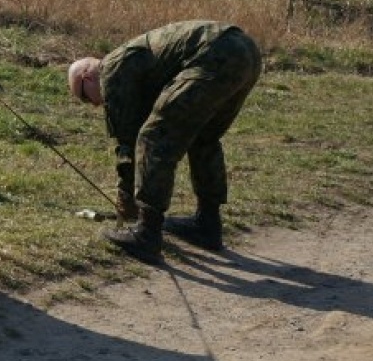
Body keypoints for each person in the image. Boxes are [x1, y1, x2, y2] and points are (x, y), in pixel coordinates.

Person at [68, 20, 263, 261]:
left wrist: (127, 202)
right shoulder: (128, 62)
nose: (95, 105)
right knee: (204, 138)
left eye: (85, 98)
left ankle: (147, 234)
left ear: (87, 77)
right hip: (246, 51)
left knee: (153, 137)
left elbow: (128, 143)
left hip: (213, 53)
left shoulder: (111, 72)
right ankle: (207, 225)